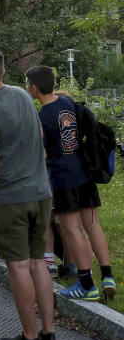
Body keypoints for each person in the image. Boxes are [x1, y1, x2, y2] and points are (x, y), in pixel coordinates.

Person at [0, 48, 56, 340]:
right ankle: (49, 333)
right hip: (41, 192)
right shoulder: (23, 95)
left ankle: (30, 338)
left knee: (18, 266)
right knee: (39, 262)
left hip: (11, 197)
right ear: (3, 71)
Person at [25, 65, 116, 302]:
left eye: (27, 85)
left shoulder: (42, 116)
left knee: (71, 229)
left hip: (63, 178)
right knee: (93, 225)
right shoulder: (69, 104)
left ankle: (86, 285)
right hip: (84, 172)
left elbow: (42, 154)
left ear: (34, 88)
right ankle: (107, 276)